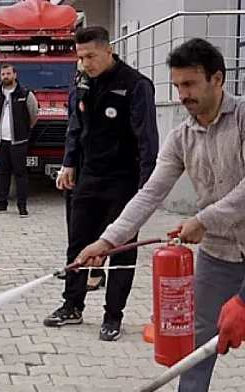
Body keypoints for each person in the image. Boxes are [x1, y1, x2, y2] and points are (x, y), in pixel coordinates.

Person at [74, 38, 244, 392]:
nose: (183, 95)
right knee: (200, 336)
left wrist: (204, 219)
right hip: (220, 253)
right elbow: (150, 194)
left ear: (216, 79)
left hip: (221, 233)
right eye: (177, 86)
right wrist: (108, 241)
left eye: (190, 85)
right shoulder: (183, 136)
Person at [44, 26, 160, 341]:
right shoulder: (82, 82)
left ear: (108, 51)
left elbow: (148, 142)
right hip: (87, 178)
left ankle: (113, 316)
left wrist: (147, 190)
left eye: (91, 56)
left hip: (123, 182)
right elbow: (74, 127)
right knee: (78, 245)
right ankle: (72, 305)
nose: (85, 63)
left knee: (120, 250)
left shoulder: (135, 86)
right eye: (80, 58)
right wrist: (68, 162)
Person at [61, 66, 107, 290]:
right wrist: (67, 163)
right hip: (78, 164)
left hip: (97, 166)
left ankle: (96, 272)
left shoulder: (105, 91)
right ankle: (75, 269)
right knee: (75, 222)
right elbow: (73, 128)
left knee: (96, 223)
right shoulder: (77, 91)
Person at [0, 63, 39, 217]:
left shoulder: (25, 94)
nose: (5, 77)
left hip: (19, 141)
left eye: (8, 74)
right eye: (3, 74)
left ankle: (22, 206)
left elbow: (34, 115)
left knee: (20, 173)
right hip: (1, 141)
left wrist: (24, 130)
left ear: (15, 75)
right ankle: (2, 203)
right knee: (3, 173)